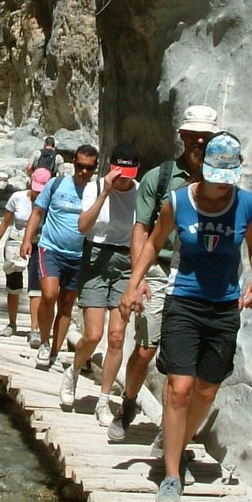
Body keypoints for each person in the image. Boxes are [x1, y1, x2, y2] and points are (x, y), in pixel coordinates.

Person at [119, 131, 252, 502]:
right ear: (204, 168)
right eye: (215, 176)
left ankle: (176, 442)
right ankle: (171, 476)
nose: (220, 185)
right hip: (183, 300)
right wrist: (133, 285)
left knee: (206, 390)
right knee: (180, 387)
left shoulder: (248, 204)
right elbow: (153, 242)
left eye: (227, 178)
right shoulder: (178, 202)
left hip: (224, 306)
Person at [109, 105, 220, 443]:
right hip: (160, 269)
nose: (200, 140)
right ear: (182, 136)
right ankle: (128, 403)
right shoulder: (159, 178)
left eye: (207, 135)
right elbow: (141, 229)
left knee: (188, 357)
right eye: (194, 134)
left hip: (200, 274)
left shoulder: (223, 181)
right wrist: (138, 278)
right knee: (145, 350)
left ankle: (172, 433)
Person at [59, 143, 140, 424]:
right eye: (120, 173)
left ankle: (103, 401)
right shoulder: (95, 188)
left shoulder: (140, 193)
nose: (124, 179)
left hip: (126, 261)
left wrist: (141, 276)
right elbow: (83, 226)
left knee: (117, 336)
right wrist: (105, 191)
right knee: (93, 334)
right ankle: (74, 369)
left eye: (129, 174)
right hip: (95, 256)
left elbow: (143, 233)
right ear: (110, 168)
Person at [20, 144, 99, 368]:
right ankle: (44, 342)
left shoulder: (94, 192)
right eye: (80, 166)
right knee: (49, 295)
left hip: (78, 255)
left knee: (66, 306)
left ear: (95, 168)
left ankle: (54, 351)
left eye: (89, 168)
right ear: (73, 162)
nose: (84, 172)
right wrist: (27, 240)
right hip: (50, 249)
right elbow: (37, 211)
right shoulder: (56, 185)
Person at [0, 168, 52, 343]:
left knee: (36, 287)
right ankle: (12, 323)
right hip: (15, 242)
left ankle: (34, 329)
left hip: (38, 244)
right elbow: (5, 223)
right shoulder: (17, 198)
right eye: (36, 188)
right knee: (13, 284)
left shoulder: (50, 201)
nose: (38, 192)